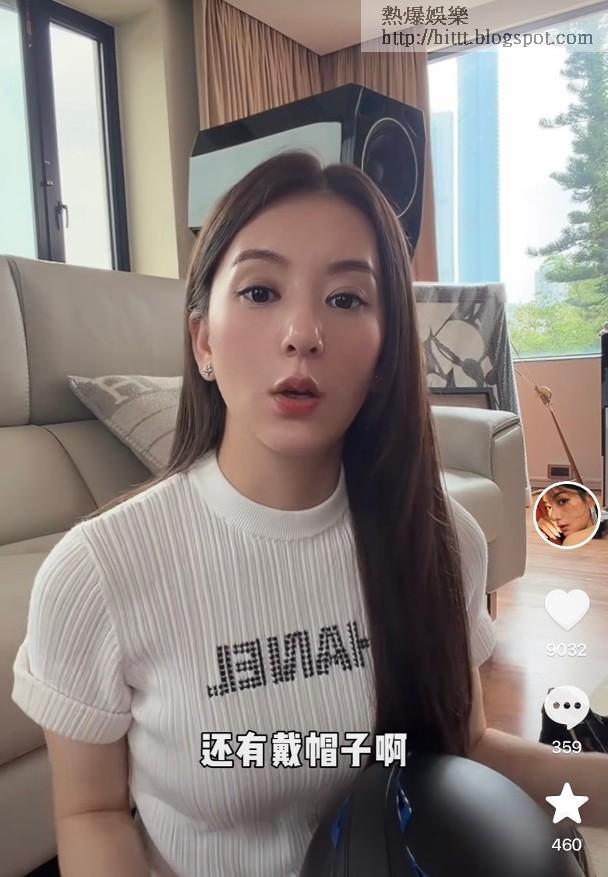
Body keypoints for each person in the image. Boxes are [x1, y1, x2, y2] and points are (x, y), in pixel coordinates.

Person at [11, 151, 608, 877]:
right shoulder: (98, 572)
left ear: (385, 353)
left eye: (347, 299)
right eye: (260, 291)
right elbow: (91, 812)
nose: (303, 332)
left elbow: (470, 748)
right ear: (203, 340)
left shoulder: (441, 538)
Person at [536, 482, 599, 547]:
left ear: (589, 500)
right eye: (548, 507)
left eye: (562, 501)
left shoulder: (573, 540)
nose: (554, 516)